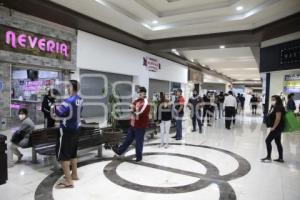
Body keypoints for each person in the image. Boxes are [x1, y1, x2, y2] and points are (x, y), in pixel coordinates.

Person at [53, 80, 83, 189]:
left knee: (63, 155)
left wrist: (54, 106)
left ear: (72, 87)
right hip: (76, 129)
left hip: (66, 130)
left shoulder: (67, 101)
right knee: (72, 153)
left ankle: (69, 181)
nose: (66, 88)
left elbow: (59, 112)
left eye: (68, 86)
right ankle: (74, 174)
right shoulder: (80, 99)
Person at [113, 87, 150, 161]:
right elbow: (130, 106)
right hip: (133, 124)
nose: (138, 94)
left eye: (140, 93)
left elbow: (140, 113)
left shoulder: (146, 102)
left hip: (140, 126)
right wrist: (133, 109)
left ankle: (139, 157)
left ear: (144, 93)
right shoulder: (137, 100)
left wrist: (133, 110)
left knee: (139, 142)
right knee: (127, 140)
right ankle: (119, 151)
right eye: (138, 93)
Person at [261, 95, 285, 163]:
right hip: (279, 126)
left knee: (267, 140)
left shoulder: (278, 107)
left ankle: (269, 157)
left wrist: (274, 127)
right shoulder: (278, 106)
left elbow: (278, 118)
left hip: (277, 127)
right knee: (278, 142)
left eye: (273, 99)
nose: (272, 101)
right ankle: (280, 158)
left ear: (276, 99)